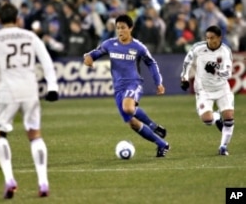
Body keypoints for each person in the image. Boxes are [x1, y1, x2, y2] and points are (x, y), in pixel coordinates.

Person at [0, 3, 59, 199]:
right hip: (30, 89)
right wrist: (52, 87)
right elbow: (46, 61)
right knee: (34, 134)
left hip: (7, 90)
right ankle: (43, 182)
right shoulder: (30, 36)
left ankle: (9, 179)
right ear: (18, 19)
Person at [83, 14, 169, 157]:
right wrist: (88, 60)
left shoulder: (138, 47)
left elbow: (151, 63)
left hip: (133, 83)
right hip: (118, 88)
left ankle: (152, 125)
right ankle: (162, 144)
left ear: (131, 28)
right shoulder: (110, 44)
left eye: (123, 28)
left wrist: (158, 82)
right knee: (133, 124)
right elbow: (92, 54)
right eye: (118, 28)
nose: (120, 31)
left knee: (128, 108)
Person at [180, 25, 234, 156]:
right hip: (203, 89)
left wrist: (215, 71)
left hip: (222, 88)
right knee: (207, 120)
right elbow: (187, 61)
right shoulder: (198, 48)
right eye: (208, 38)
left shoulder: (225, 51)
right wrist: (185, 77)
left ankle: (223, 147)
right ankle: (215, 117)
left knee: (229, 117)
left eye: (213, 38)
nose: (210, 41)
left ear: (220, 38)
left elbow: (228, 74)